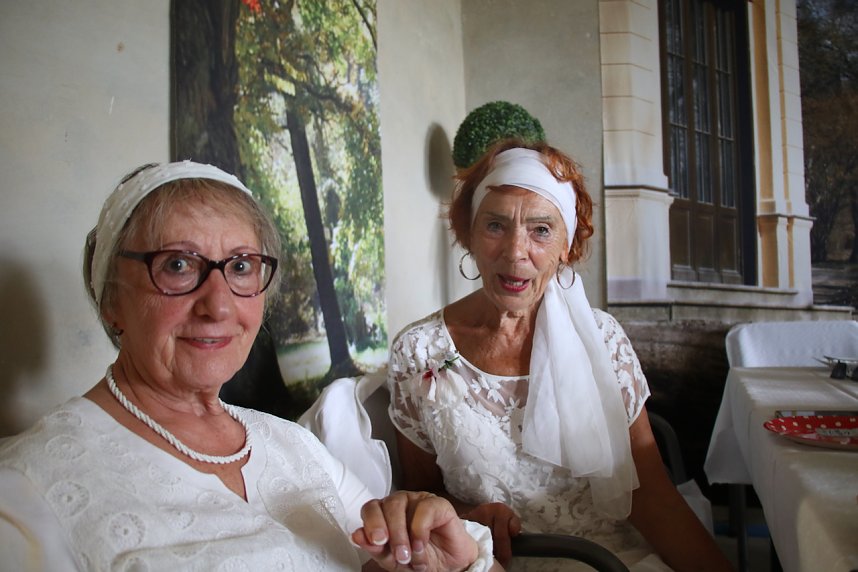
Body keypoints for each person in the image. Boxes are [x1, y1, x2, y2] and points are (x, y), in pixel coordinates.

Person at [0, 161, 501, 572]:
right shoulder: (30, 486)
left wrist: (431, 563)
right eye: (177, 264)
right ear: (112, 299)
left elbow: (396, 557)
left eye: (240, 266)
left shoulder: (293, 444)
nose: (218, 306)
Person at [386, 140, 733, 571]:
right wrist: (466, 516)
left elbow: (652, 496)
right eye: (495, 225)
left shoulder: (602, 340)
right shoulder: (419, 351)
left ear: (567, 244)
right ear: (468, 233)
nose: (515, 252)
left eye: (541, 230)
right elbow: (423, 490)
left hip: (611, 558)